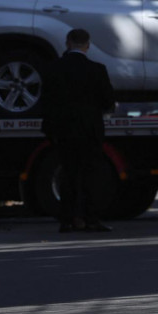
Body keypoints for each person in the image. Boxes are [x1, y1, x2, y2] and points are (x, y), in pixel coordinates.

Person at [42, 28, 116, 233]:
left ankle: (67, 220)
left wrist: (49, 129)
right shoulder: (97, 69)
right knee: (91, 176)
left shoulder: (53, 69)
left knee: (68, 175)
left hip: (64, 131)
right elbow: (108, 101)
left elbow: (46, 102)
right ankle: (91, 218)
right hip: (89, 130)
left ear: (68, 43)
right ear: (87, 45)